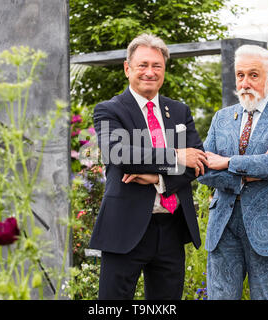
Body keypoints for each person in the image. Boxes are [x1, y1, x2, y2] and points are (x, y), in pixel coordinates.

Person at [89, 33, 208, 300]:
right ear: (127, 67)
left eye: (157, 66)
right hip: (124, 228)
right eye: (143, 65)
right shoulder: (110, 110)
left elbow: (198, 162)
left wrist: (158, 178)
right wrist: (176, 154)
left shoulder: (179, 111)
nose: (150, 72)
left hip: (171, 230)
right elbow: (120, 153)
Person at [197, 44, 268, 300]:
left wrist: (226, 162)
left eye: (254, 75)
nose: (245, 82)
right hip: (223, 225)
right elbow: (202, 169)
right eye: (240, 75)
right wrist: (247, 175)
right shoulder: (221, 118)